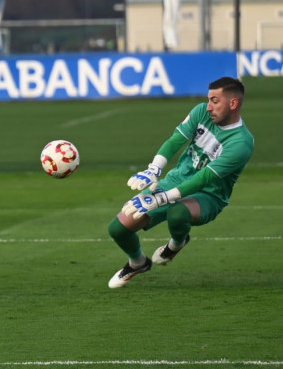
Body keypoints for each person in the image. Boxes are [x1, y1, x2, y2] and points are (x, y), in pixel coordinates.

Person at [107, 76, 254, 288]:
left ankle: (176, 244)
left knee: (177, 213)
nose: (209, 106)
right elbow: (175, 140)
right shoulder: (201, 112)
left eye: (215, 100)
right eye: (209, 99)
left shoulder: (241, 143)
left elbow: (206, 178)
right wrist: (154, 169)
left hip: (208, 195)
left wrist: (163, 199)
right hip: (175, 180)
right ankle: (138, 262)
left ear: (233, 103)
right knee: (118, 229)